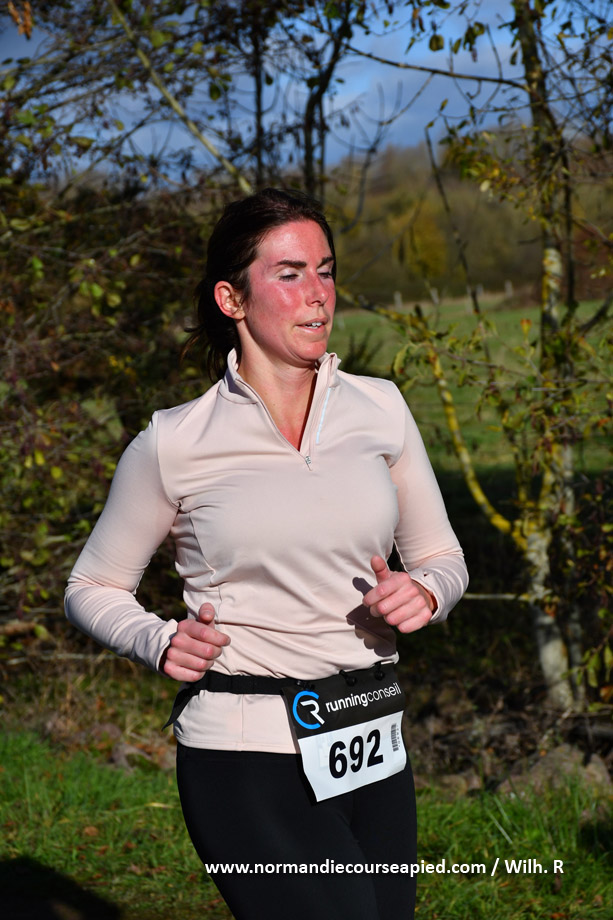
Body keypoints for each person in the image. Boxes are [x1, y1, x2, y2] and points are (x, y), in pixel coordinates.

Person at [65, 187, 468, 920]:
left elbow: (442, 555)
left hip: (372, 735)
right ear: (232, 299)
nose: (318, 293)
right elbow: (91, 586)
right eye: (289, 274)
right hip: (245, 750)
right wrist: (157, 640)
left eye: (326, 270)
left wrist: (427, 592)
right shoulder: (175, 441)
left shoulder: (380, 408)